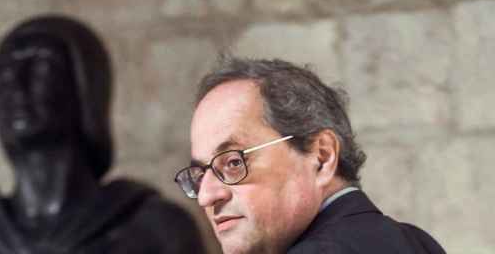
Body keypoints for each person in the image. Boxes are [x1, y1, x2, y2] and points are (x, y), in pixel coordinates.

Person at [0, 15, 205, 254]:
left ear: (85, 88)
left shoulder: (154, 230)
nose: (17, 89)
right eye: (5, 77)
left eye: (41, 69)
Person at [174, 56, 446, 254]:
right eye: (200, 175)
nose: (207, 196)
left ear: (322, 157)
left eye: (233, 162)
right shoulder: (419, 243)